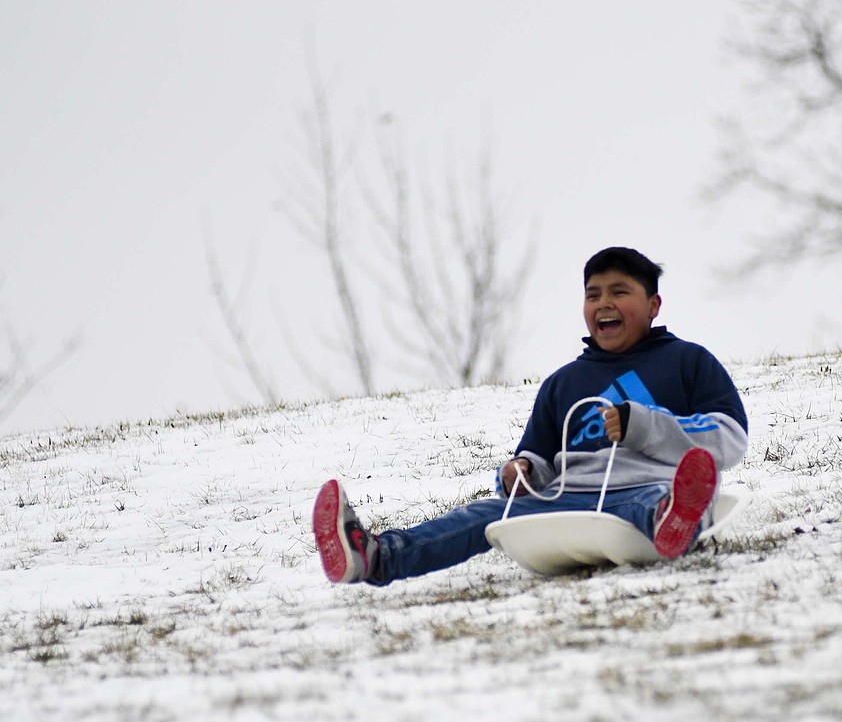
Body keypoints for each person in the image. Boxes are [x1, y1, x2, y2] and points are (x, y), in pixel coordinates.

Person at [313, 246, 749, 586]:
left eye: (620, 292)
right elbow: (539, 458)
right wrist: (521, 472)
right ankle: (374, 556)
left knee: (648, 504)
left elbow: (729, 437)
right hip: (568, 499)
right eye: (593, 294)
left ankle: (674, 521)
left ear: (654, 305)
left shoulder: (686, 361)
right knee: (483, 513)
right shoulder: (564, 383)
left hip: (648, 489)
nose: (603, 303)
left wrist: (644, 425)